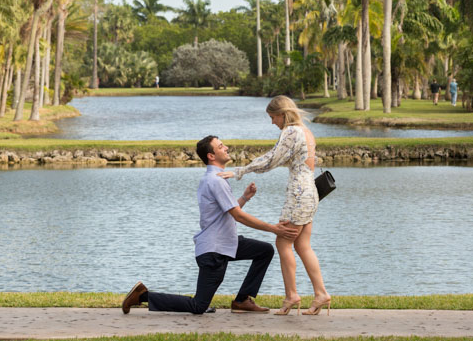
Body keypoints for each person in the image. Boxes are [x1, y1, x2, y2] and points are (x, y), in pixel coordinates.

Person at [121, 135, 299, 315]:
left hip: (226, 243)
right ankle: (143, 296)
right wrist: (274, 229)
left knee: (264, 250)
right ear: (211, 156)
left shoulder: (215, 179)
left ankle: (242, 300)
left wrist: (244, 198)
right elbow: (238, 216)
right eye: (221, 146)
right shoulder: (215, 181)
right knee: (198, 306)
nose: (227, 148)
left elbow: (227, 211)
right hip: (214, 250)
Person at [217, 95, 331, 316]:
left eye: (273, 117)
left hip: (298, 195)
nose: (272, 123)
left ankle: (292, 296)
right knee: (302, 245)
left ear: (282, 114)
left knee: (283, 243)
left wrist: (240, 171)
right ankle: (320, 294)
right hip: (310, 193)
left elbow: (271, 160)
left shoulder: (291, 132)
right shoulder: (306, 131)